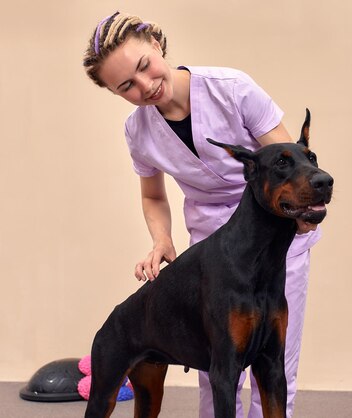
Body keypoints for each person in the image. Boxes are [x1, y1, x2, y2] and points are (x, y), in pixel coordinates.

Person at [83, 11, 320, 418]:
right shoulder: (136, 131)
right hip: (213, 245)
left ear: (157, 44)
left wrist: (301, 212)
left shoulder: (233, 89)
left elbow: (290, 164)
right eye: (126, 86)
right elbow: (153, 196)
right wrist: (162, 241)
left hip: (276, 237)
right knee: (217, 376)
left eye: (144, 66)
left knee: (276, 370)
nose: (145, 86)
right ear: (115, 92)